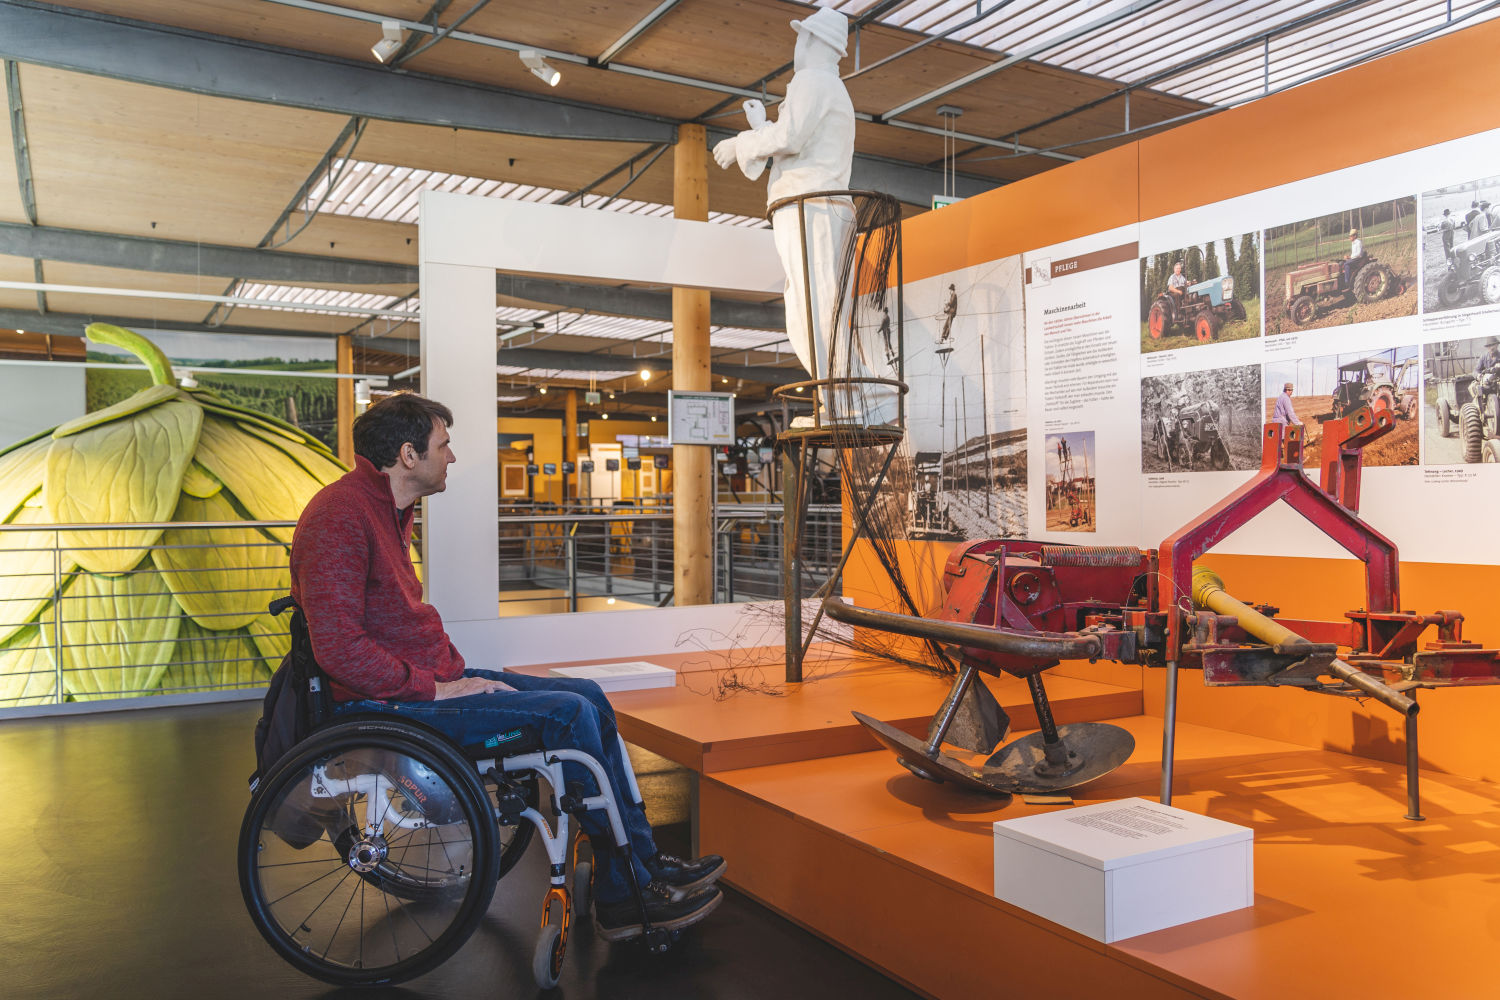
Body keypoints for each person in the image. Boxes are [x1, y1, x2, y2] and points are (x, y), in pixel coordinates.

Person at [289, 393, 725, 942]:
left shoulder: (386, 511)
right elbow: (339, 649)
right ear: (407, 455)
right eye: (443, 446)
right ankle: (623, 893)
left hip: (428, 684)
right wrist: (436, 689)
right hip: (394, 702)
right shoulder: (341, 517)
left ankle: (642, 861)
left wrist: (446, 679)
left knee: (586, 693)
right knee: (568, 716)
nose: (451, 457)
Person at [712, 7, 855, 381]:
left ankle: (839, 394)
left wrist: (740, 143)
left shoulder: (813, 81)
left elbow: (790, 137)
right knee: (816, 300)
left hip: (811, 208)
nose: (797, 44)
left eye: (800, 36)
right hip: (820, 207)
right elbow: (800, 140)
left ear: (811, 40)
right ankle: (837, 392)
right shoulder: (826, 86)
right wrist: (762, 127)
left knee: (814, 303)